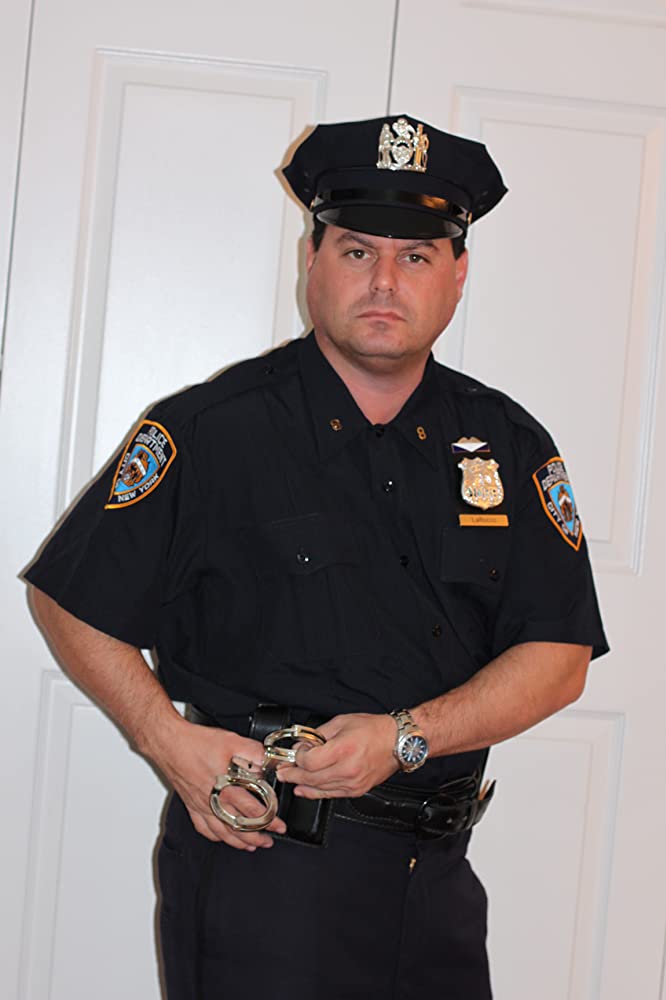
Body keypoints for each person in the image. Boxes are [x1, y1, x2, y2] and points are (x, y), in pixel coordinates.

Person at [25, 113, 608, 999]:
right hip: (266, 873)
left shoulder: (509, 445)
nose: (384, 282)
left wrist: (407, 738)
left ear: (458, 275)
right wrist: (164, 738)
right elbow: (70, 596)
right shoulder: (210, 432)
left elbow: (559, 655)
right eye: (356, 251)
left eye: (416, 257)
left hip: (439, 887)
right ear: (312, 261)